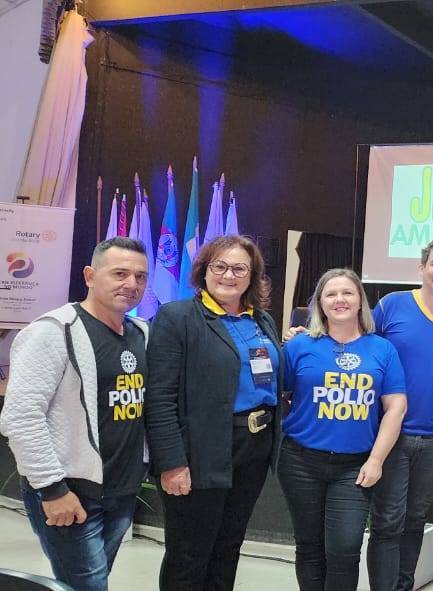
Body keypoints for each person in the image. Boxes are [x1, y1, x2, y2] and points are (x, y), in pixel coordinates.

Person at [0, 238, 150, 591]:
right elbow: (21, 417)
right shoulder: (51, 332)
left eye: (141, 276)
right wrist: (52, 490)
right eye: (120, 273)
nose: (131, 284)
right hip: (70, 492)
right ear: (89, 275)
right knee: (87, 585)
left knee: (92, 580)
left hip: (122, 487)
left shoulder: (141, 332)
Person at [146, 235, 283, 591]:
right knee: (190, 553)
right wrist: (171, 462)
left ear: (253, 275)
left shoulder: (261, 320)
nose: (229, 275)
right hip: (200, 452)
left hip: (253, 448)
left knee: (228, 547)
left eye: (240, 268)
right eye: (219, 266)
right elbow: (159, 398)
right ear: (204, 271)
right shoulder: (178, 317)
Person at [278, 269, 408, 590]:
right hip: (300, 462)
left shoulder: (381, 349)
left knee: (346, 548)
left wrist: (376, 460)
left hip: (355, 465)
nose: (340, 300)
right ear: (319, 304)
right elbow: (278, 394)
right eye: (331, 294)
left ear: (360, 301)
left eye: (347, 293)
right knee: (309, 546)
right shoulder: (299, 347)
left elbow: (396, 407)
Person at [367, 238, 433, 591]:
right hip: (391, 435)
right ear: (421, 267)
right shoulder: (390, 306)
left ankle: (402, 586)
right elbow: (359, 344)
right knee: (387, 522)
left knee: (415, 521)